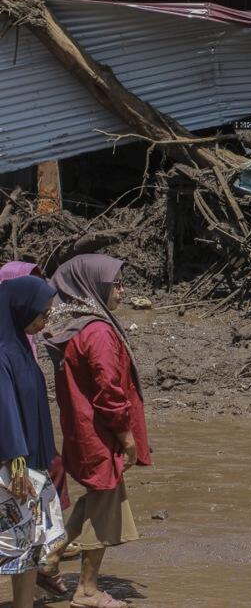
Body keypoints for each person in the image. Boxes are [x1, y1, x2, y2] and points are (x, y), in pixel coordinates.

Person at [40, 255, 150, 608]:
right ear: (95, 287)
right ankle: (86, 590)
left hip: (83, 432)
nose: (123, 290)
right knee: (103, 507)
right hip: (99, 434)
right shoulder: (98, 331)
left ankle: (51, 558)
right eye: (116, 284)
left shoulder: (75, 326)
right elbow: (109, 393)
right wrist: (126, 437)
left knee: (99, 498)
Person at [0, 261, 75, 596]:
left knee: (28, 548)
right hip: (11, 465)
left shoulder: (21, 347)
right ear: (20, 309)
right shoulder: (3, 354)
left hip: (29, 464)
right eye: (42, 313)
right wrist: (16, 461)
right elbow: (5, 410)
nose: (46, 321)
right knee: (9, 547)